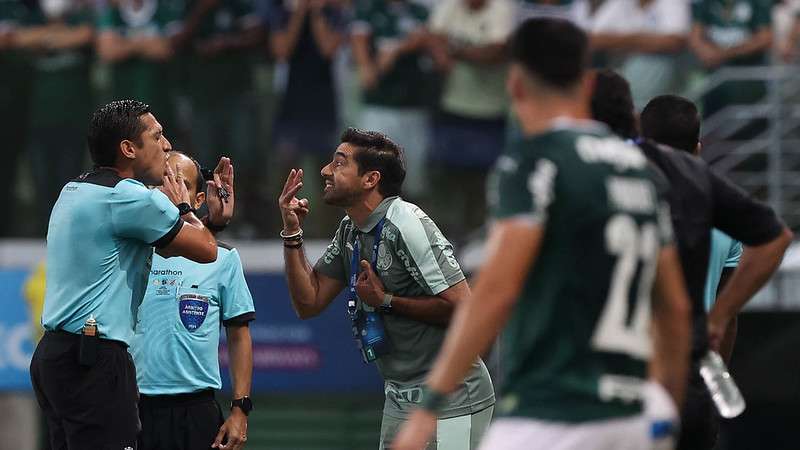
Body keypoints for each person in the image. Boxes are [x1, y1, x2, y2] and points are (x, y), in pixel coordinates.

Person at [393, 18, 692, 450]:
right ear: (586, 82)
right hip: (637, 414)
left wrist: (429, 408)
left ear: (514, 84)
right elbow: (675, 309)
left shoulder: (535, 160)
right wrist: (666, 411)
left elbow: (497, 290)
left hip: (552, 413)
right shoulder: (640, 171)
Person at [29, 100, 231, 449]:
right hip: (94, 360)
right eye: (157, 136)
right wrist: (187, 206)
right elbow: (207, 249)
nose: (167, 145)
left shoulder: (74, 189)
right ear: (128, 149)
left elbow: (167, 246)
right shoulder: (129, 197)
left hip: (53, 356)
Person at [278, 127, 495, 449]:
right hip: (399, 397)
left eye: (339, 164)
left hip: (454, 397)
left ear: (370, 179)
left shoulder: (406, 225)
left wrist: (387, 301)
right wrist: (292, 232)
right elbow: (308, 302)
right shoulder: (351, 229)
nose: (325, 171)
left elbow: (467, 309)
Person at [608, 87, 792, 450]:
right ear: (698, 147)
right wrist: (718, 321)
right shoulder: (721, 209)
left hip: (629, 373)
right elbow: (731, 311)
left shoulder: (617, 198)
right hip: (691, 375)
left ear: (641, 141)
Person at [132, 150, 253, 450]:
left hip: (196, 411)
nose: (170, 190)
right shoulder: (130, 252)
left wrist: (240, 409)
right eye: (163, 181)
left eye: (181, 182)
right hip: (132, 407)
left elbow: (239, 336)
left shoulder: (223, 258)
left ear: (198, 200)